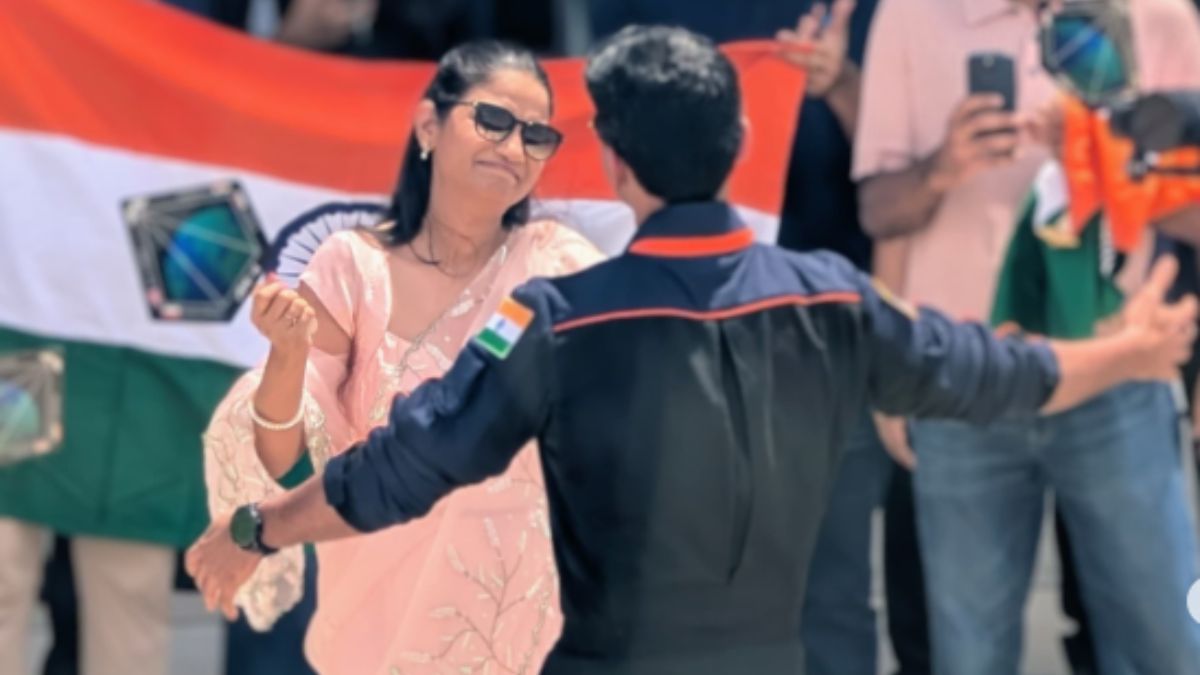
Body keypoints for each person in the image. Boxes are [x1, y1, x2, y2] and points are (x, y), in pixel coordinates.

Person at [187, 25, 1198, 675]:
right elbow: (987, 371)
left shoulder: (557, 317)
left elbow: (407, 464)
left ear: (616, 164)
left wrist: (256, 527)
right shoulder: (833, 300)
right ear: (736, 143)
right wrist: (1134, 350)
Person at [201, 40, 602, 674]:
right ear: (428, 126)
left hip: (533, 630)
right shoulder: (353, 266)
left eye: (536, 135)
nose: (513, 147)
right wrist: (286, 353)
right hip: (378, 626)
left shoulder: (561, 265)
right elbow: (281, 456)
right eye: (493, 120)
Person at [853, 0, 1200, 672]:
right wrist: (942, 167)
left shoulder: (1155, 15)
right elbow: (879, 210)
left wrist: (1108, 156)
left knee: (1168, 642)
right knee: (968, 653)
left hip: (1122, 371)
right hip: (959, 380)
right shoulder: (909, 16)